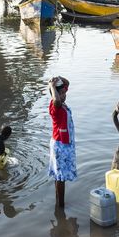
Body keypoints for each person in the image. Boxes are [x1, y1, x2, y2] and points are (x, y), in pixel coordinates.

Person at [48, 76, 76, 208]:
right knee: (61, 177)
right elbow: (57, 101)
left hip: (65, 144)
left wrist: (58, 79)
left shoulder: (61, 104)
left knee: (59, 176)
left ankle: (58, 203)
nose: (64, 95)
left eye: (64, 92)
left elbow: (67, 83)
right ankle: (61, 206)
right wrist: (52, 86)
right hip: (60, 145)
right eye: (61, 93)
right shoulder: (55, 107)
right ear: (55, 95)